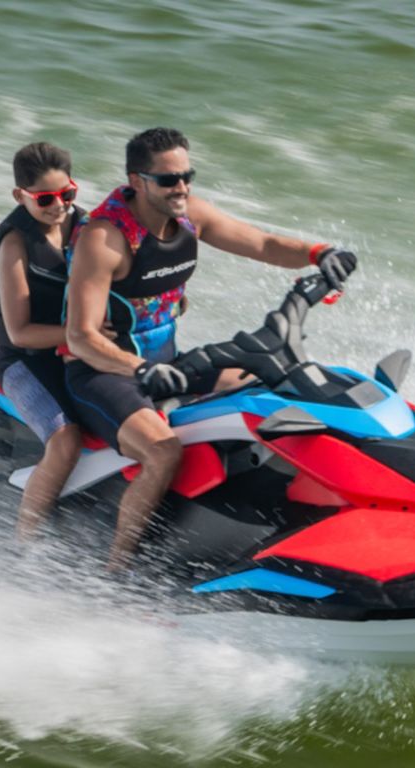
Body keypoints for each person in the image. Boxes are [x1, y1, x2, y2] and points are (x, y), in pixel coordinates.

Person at [64, 127, 356, 571]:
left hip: (169, 366)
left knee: (271, 389)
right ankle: (117, 570)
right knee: (163, 451)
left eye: (188, 176)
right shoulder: (105, 240)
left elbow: (262, 244)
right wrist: (139, 369)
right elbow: (81, 337)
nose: (181, 187)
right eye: (168, 180)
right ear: (137, 181)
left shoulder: (190, 216)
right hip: (104, 374)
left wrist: (319, 253)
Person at [0, 141, 90, 543]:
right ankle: (24, 545)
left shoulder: (87, 226)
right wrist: (84, 334)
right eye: (45, 199)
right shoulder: (14, 245)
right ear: (20, 196)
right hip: (25, 361)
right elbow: (20, 333)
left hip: (80, 350)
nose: (59, 206)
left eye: (67, 194)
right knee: (66, 441)